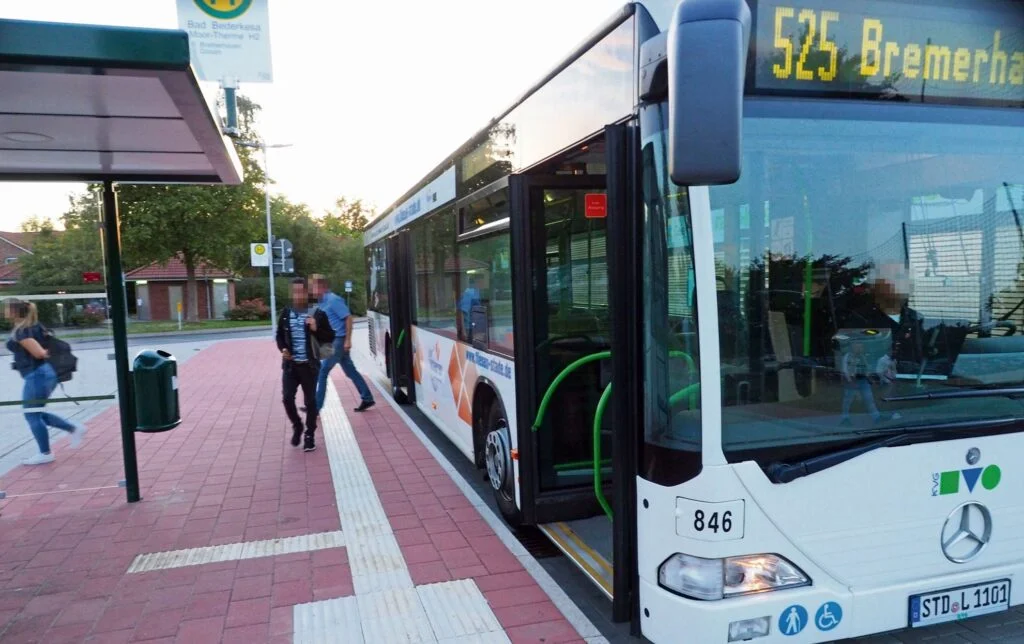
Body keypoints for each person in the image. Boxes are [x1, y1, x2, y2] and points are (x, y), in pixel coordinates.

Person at [5, 300, 85, 465]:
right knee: (36, 412)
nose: (4, 311)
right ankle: (74, 429)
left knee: (32, 414)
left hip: (38, 375)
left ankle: (46, 452)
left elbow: (39, 353)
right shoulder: (34, 325)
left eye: (7, 309)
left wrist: (39, 353)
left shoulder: (23, 331)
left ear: (14, 312)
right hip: (44, 373)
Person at [309, 274, 375, 413]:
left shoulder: (333, 300)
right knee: (350, 371)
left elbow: (348, 318)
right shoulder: (321, 302)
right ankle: (367, 398)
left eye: (312, 287)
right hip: (332, 340)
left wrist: (348, 340)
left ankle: (316, 407)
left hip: (338, 340)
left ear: (321, 286)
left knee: (322, 370)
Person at [276, 278, 320, 451]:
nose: (297, 295)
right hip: (291, 366)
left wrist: (316, 328)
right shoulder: (286, 312)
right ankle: (297, 425)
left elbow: (328, 337)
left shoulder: (316, 312)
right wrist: (283, 349)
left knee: (310, 401)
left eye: (301, 291)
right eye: (294, 292)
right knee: (287, 398)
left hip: (309, 366)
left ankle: (310, 434)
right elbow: (279, 335)